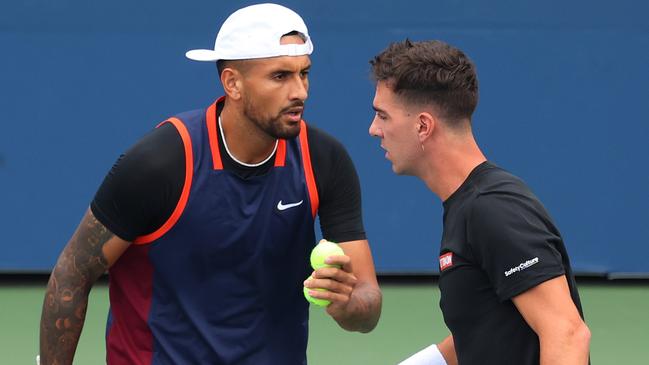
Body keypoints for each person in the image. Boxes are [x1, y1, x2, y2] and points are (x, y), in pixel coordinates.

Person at [39, 4, 382, 364]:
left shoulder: (324, 160)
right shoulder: (160, 163)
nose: (300, 91)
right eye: (280, 76)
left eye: (304, 74)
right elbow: (72, 274)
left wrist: (348, 304)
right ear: (232, 83)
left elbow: (368, 303)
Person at [368, 39, 590, 364]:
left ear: (423, 126)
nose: (374, 130)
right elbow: (485, 332)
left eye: (383, 116)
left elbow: (567, 334)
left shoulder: (492, 208)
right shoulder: (468, 206)